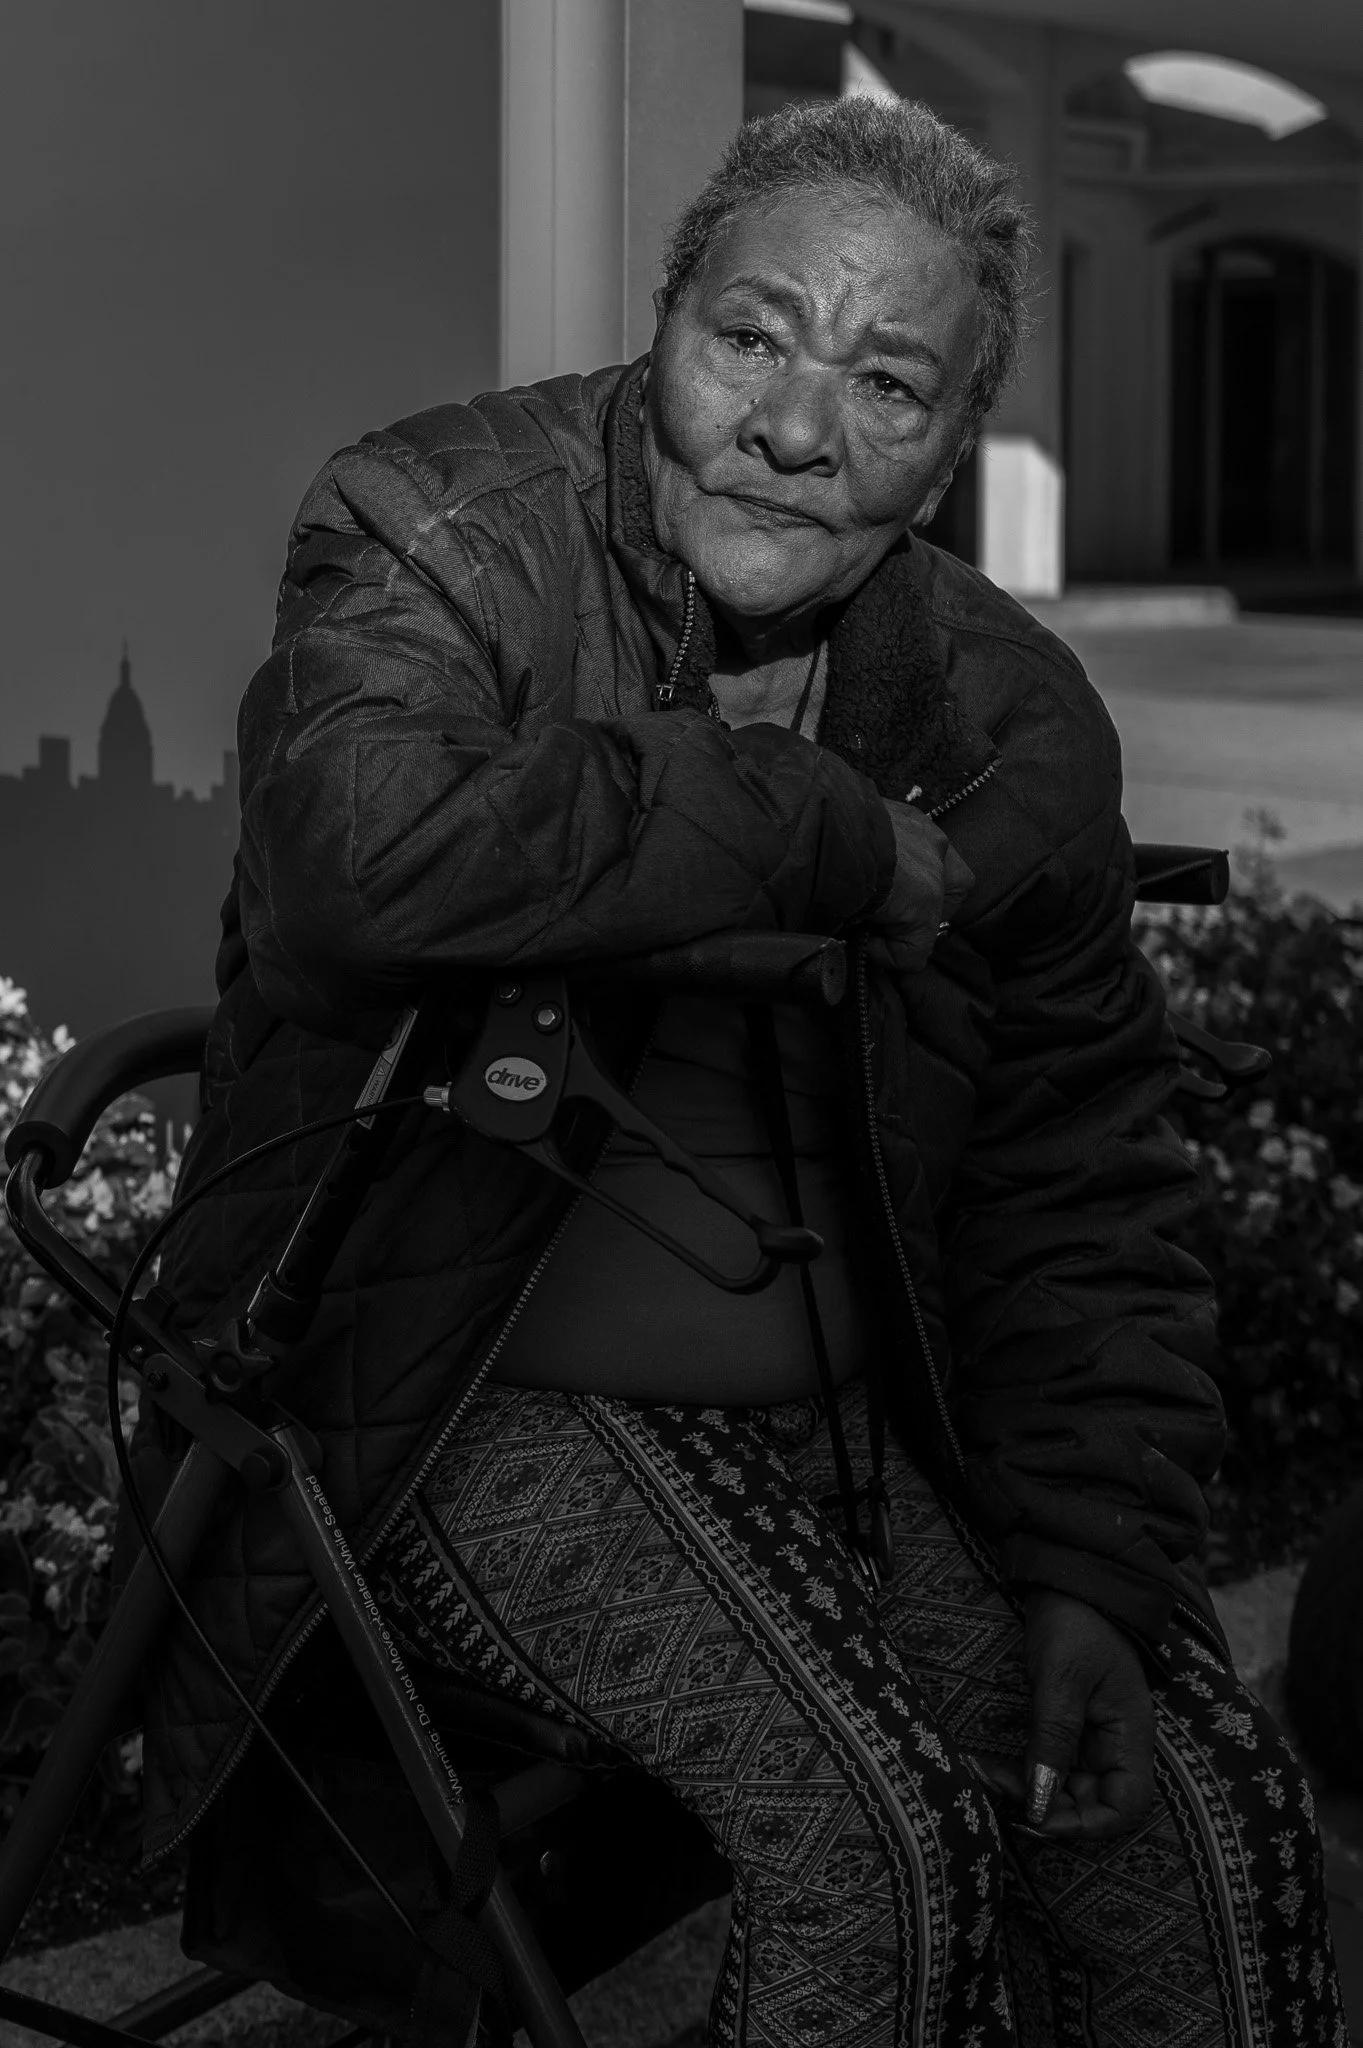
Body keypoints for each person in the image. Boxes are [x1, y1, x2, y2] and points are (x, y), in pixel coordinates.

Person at [140, 96, 1345, 2045]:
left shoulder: (1008, 714)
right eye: (753, 337)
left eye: (887, 383)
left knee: (1194, 1816)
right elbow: (358, 855)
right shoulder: (438, 525)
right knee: (879, 1849)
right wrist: (804, 817)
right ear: (664, 318)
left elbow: (1075, 1168)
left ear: (954, 443)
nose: (795, 428)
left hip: (836, 1425)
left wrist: (1091, 1562)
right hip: (444, 1390)